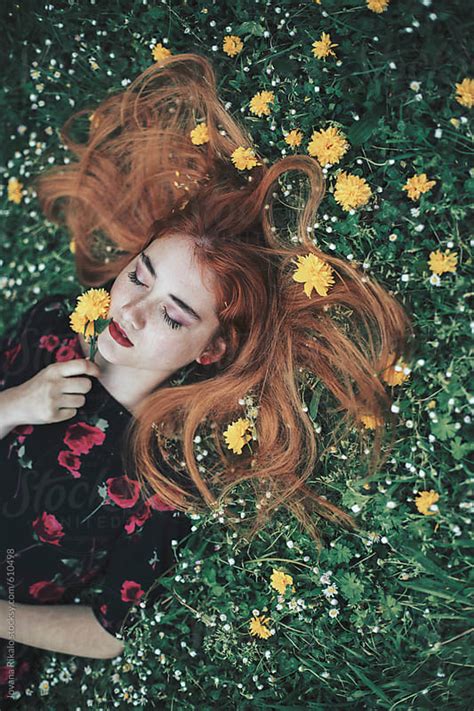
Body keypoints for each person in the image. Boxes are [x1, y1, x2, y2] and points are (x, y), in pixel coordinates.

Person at [0, 52, 414, 703]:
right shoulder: (53, 323)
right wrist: (16, 403)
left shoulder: (165, 465)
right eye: (139, 275)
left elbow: (111, 630)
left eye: (172, 312)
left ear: (214, 346)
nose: (130, 310)